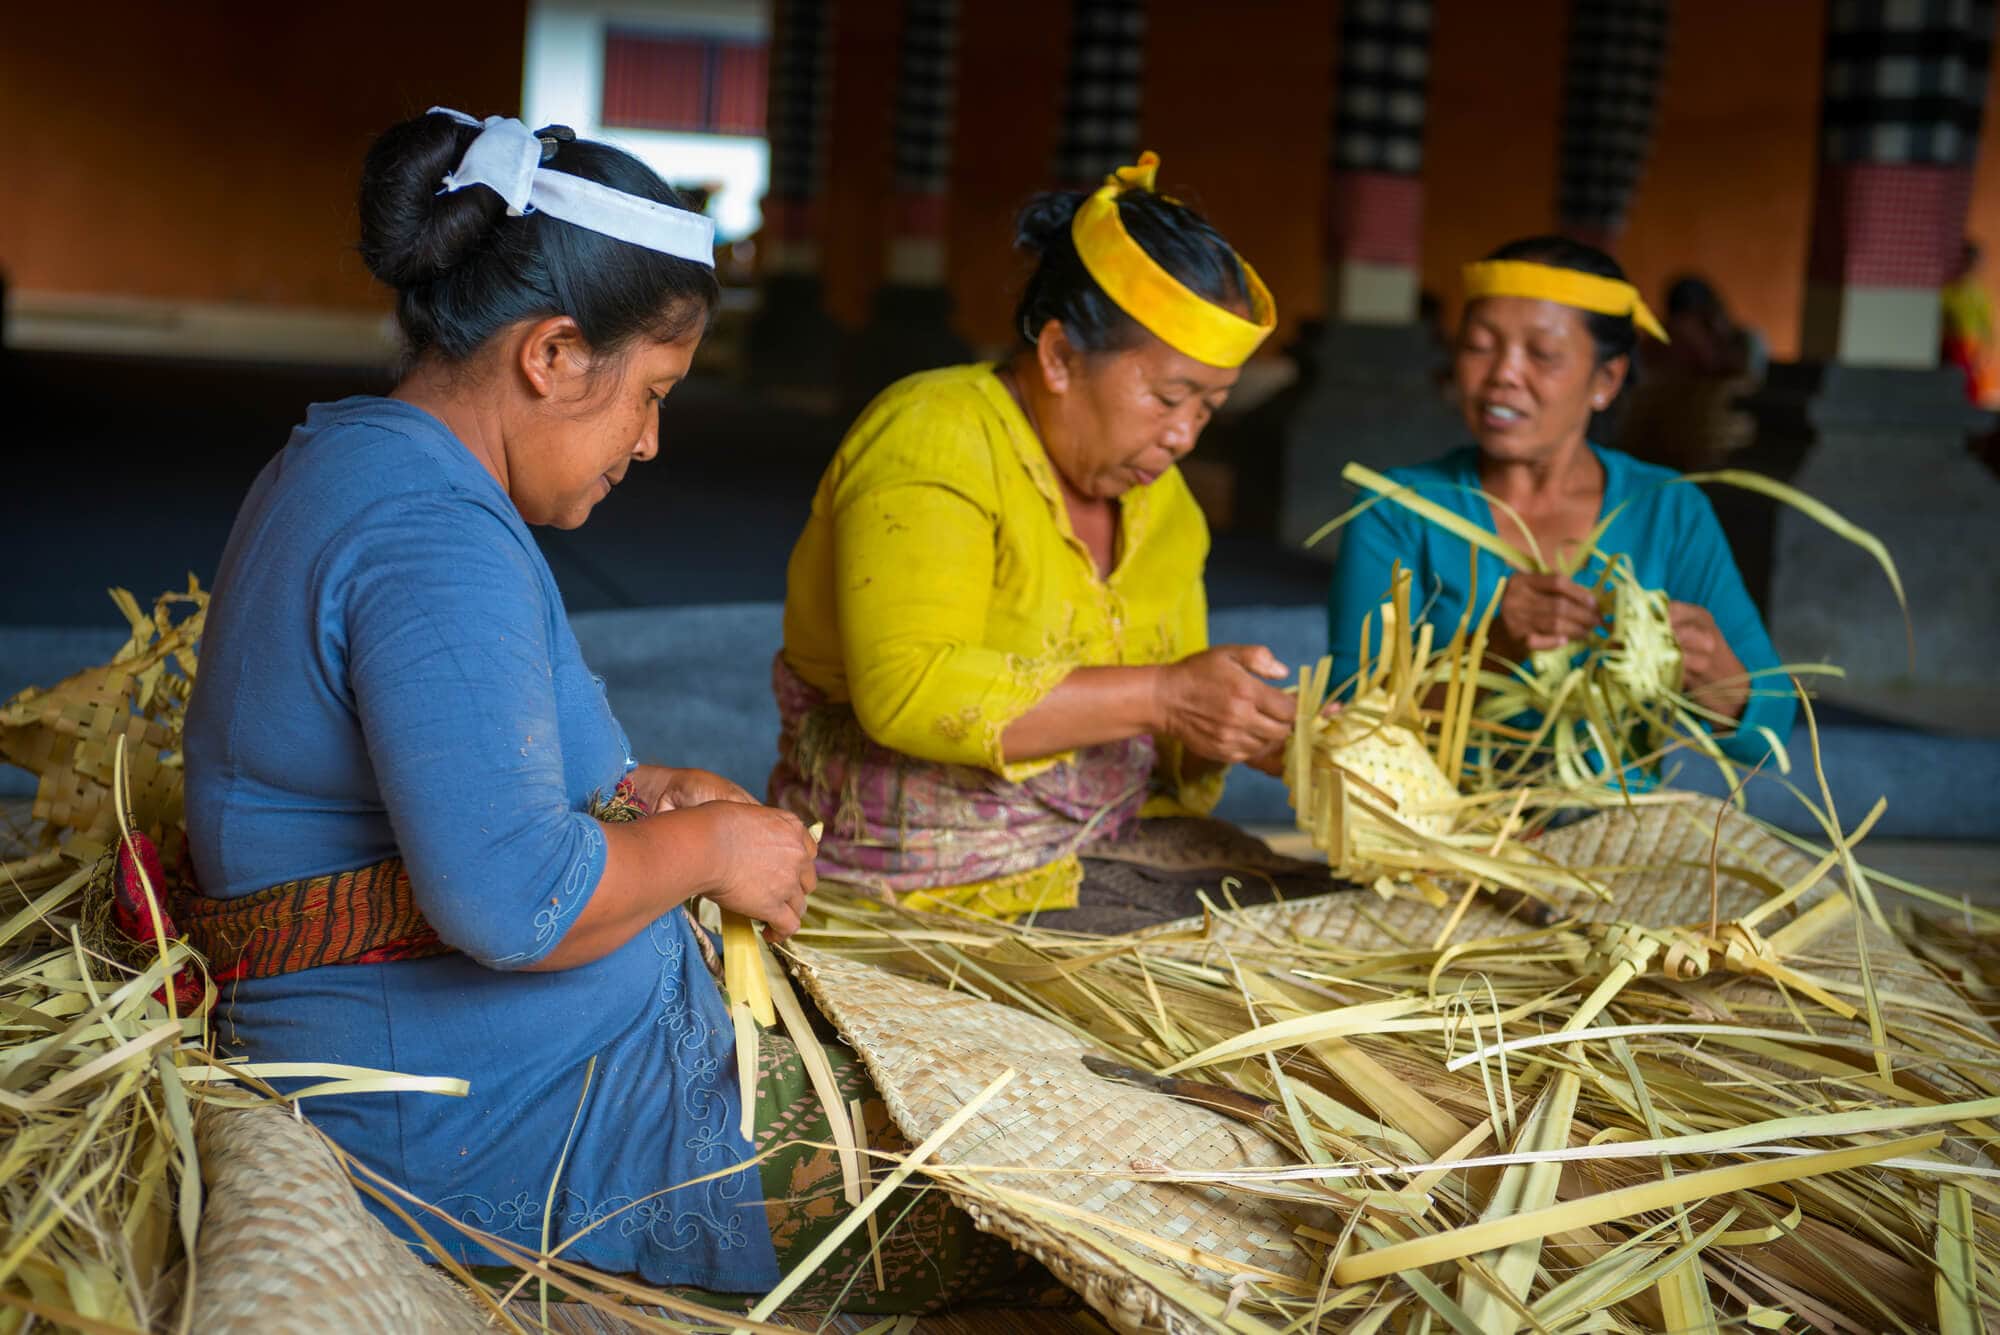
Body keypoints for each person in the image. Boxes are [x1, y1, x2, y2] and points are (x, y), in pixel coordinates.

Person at [179, 108, 1036, 1308]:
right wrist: (705, 850)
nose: (646, 442)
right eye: (650, 393)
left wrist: (635, 799)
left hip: (454, 1053)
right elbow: (515, 901)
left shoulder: (367, 464)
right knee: (1012, 1201)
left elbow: (450, 765)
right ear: (553, 354)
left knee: (998, 1102)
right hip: (474, 1102)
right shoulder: (432, 538)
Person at [772, 153, 1327, 934]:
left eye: (1210, 407)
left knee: (1333, 920)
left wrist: (1242, 729)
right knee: (1263, 956)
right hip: (924, 870)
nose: (1183, 434)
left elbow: (1167, 737)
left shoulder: (1168, 507)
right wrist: (1167, 695)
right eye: (1169, 396)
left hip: (1109, 839)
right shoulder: (935, 433)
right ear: (1061, 357)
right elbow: (906, 688)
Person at [1326, 237, 1796, 773]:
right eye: (1480, 346)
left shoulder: (1667, 511)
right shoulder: (1399, 510)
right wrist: (1491, 653)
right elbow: (1347, 724)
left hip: (1616, 841)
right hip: (1437, 834)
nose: (1503, 373)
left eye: (1543, 355)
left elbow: (1768, 738)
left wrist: (1718, 681)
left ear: (1606, 380)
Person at [1941, 239, 1994, 406]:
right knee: (1953, 381)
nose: (1968, 268)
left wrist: (1985, 351)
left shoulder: (1978, 294)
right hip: (1950, 345)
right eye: (1965, 262)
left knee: (1970, 384)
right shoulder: (1947, 290)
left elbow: (1986, 326)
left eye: (1972, 263)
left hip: (1971, 346)